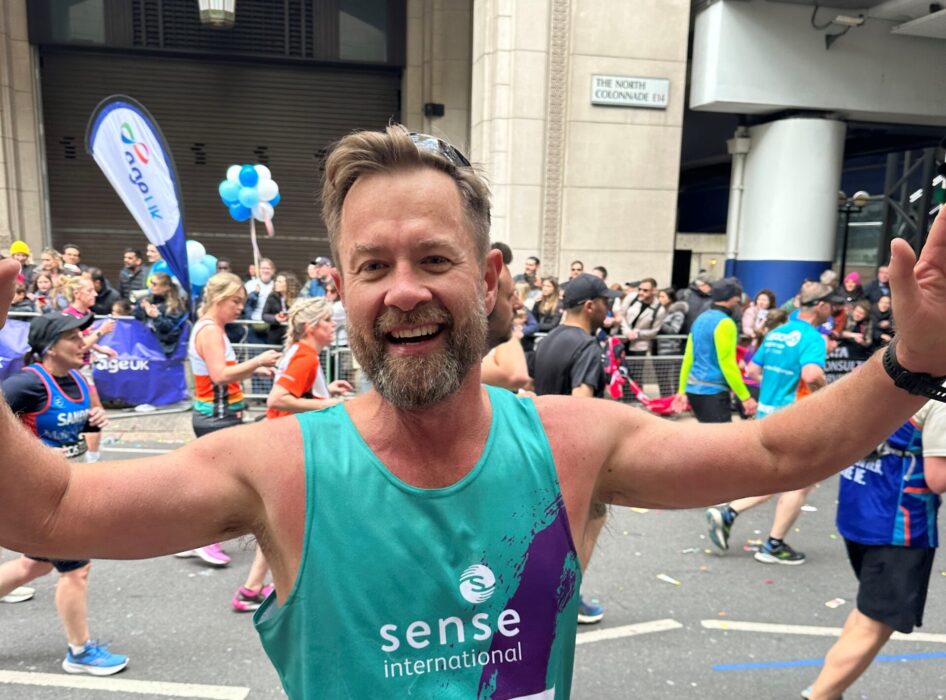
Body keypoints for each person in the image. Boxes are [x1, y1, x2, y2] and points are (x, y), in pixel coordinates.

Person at [3, 125, 946, 698]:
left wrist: (912, 365)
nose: (402, 290)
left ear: (490, 278)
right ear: (343, 292)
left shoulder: (575, 444)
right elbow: (48, 512)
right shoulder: (281, 465)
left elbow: (780, 452)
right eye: (373, 266)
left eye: (434, 259)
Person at [0, 313, 129, 675]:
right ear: (50, 347)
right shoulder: (25, 385)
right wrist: (36, 454)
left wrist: (92, 422)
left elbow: (69, 425)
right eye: (73, 337)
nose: (82, 344)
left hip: (64, 489)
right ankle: (79, 652)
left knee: (35, 564)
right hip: (34, 498)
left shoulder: (75, 380)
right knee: (77, 570)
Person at [802, 397, 946, 700]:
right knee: (877, 622)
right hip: (898, 525)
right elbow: (938, 477)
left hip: (858, 509)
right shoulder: (941, 398)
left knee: (866, 614)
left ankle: (829, 688)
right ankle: (821, 694)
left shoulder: (889, 371)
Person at [229, 297, 353, 614]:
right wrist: (328, 405)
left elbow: (296, 393)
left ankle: (251, 589)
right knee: (306, 523)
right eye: (327, 321)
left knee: (280, 523)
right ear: (311, 327)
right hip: (292, 450)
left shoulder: (302, 353)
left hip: (285, 447)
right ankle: (308, 593)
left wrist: (327, 392)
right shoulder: (306, 357)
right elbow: (279, 398)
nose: (333, 326)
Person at [705, 281, 838, 565]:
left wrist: (774, 389)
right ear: (821, 306)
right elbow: (813, 375)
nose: (834, 310)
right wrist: (825, 397)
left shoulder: (778, 332)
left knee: (780, 477)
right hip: (795, 420)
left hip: (767, 416)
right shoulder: (812, 338)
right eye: (832, 305)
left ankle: (728, 513)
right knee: (800, 483)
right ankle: (773, 545)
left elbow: (752, 370)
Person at [175, 272, 280, 568]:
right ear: (219, 300)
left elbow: (223, 369)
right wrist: (258, 361)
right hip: (217, 417)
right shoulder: (209, 330)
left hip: (218, 414)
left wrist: (252, 371)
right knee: (224, 486)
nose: (239, 309)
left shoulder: (212, 328)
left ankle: (191, 538)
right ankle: (207, 541)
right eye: (235, 301)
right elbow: (220, 374)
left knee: (215, 482)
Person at [531, 272, 615, 625]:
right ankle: (566, 598)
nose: (608, 311)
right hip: (572, 456)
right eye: (605, 303)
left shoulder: (546, 341)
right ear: (590, 305)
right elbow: (582, 405)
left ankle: (546, 597)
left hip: (542, 450)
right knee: (591, 519)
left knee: (551, 531)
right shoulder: (586, 347)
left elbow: (534, 392)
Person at [675, 277, 756, 423]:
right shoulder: (726, 323)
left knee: (707, 440)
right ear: (734, 298)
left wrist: (682, 390)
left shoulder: (700, 319)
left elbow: (688, 357)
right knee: (721, 443)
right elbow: (727, 364)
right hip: (713, 392)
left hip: (694, 391)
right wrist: (745, 397)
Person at [60, 276, 118, 464]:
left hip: (82, 369)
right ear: (77, 294)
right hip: (75, 370)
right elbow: (79, 346)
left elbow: (85, 341)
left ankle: (86, 455)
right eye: (90, 291)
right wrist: (101, 331)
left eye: (94, 290)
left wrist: (101, 349)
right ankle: (91, 459)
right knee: (95, 412)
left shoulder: (85, 313)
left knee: (86, 413)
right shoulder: (71, 316)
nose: (95, 294)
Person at [619, 277, 665, 387]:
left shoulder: (659, 309)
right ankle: (625, 400)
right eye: (640, 289)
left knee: (636, 374)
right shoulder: (631, 297)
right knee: (622, 372)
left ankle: (635, 400)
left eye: (645, 290)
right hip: (623, 340)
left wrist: (638, 333)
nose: (641, 292)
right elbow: (621, 315)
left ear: (654, 290)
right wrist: (627, 331)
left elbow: (654, 331)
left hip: (640, 345)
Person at [134, 272, 189, 356]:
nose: (151, 287)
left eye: (155, 284)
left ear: (166, 287)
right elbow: (138, 318)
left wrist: (157, 317)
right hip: (147, 347)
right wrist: (141, 308)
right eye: (151, 283)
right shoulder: (150, 300)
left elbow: (171, 330)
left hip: (164, 351)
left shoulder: (175, 306)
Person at [655, 288, 687, 398]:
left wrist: (659, 323)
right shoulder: (659, 310)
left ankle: (674, 401)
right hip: (658, 348)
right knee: (662, 378)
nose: (660, 299)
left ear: (670, 298)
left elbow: (674, 330)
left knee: (673, 378)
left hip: (671, 349)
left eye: (663, 297)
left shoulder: (677, 312)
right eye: (659, 296)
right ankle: (666, 401)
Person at [262, 272, 301, 346]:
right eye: (276, 281)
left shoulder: (297, 298)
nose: (276, 283)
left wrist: (289, 316)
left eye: (279, 282)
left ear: (288, 284)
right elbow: (264, 315)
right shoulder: (272, 297)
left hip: (292, 335)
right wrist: (275, 318)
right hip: (275, 335)